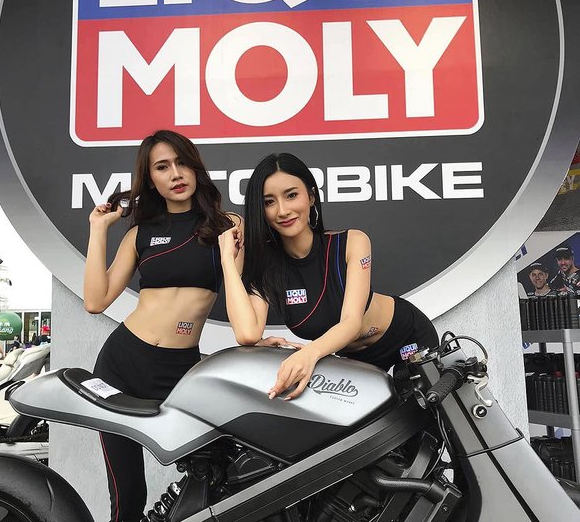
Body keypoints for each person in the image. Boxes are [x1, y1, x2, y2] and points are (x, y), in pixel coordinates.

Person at [84, 130, 239, 522]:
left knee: (219, 475)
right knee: (128, 496)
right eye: (162, 167)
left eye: (182, 162)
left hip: (178, 371)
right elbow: (95, 301)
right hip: (121, 364)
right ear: (150, 179)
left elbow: (245, 291)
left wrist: (261, 338)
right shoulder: (140, 235)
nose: (175, 173)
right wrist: (98, 230)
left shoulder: (226, 226)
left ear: (195, 167)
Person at [219, 152, 438, 401]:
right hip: (352, 358)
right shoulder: (267, 265)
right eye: (269, 202)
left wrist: (308, 354)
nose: (283, 210)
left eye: (292, 195)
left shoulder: (353, 242)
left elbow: (351, 323)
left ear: (311, 196)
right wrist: (228, 261)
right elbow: (248, 334)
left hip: (408, 338)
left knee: (422, 415)